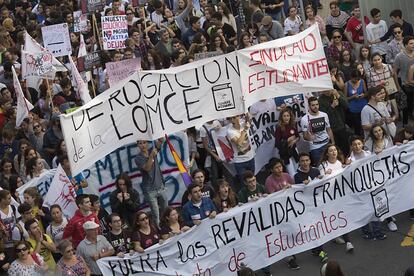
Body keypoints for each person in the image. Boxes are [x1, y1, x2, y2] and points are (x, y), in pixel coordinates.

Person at [135, 139, 168, 226]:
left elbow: (160, 144)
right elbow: (147, 168)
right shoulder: (138, 158)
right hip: (149, 190)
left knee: (166, 210)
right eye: (140, 143)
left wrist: (161, 139)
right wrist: (151, 156)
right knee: (155, 214)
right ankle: (158, 230)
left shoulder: (152, 150)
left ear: (148, 143)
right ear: (138, 145)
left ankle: (167, 227)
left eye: (144, 142)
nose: (143, 145)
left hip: (160, 186)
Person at [301, 96, 335, 166]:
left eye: (317, 104)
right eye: (313, 105)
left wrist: (333, 142)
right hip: (315, 148)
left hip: (326, 144)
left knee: (331, 164)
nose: (315, 107)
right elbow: (304, 136)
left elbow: (329, 129)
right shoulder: (304, 119)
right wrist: (309, 138)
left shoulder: (324, 115)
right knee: (320, 167)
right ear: (309, 106)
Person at [318, 89, 349, 156]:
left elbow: (346, 106)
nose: (327, 90)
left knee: (346, 147)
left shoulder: (338, 93)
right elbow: (324, 116)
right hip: (331, 129)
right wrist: (332, 106)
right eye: (324, 89)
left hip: (342, 125)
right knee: (336, 149)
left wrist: (338, 96)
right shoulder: (320, 100)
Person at [227, 115, 255, 188]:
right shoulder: (230, 131)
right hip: (240, 162)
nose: (232, 120)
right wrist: (245, 130)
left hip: (250, 158)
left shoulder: (244, 123)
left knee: (253, 181)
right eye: (231, 118)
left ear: (239, 117)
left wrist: (247, 115)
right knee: (244, 184)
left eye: (234, 117)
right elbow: (239, 143)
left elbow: (250, 118)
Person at [394, 36, 414, 125]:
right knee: (405, 106)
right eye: (411, 43)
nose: (413, 45)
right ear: (405, 45)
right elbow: (394, 72)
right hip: (405, 84)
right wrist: (397, 86)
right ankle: (405, 125)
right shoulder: (399, 56)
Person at [274, 108, 299, 176]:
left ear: (290, 116)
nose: (286, 118)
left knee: (298, 170)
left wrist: (294, 141)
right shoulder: (279, 127)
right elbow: (277, 143)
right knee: (292, 173)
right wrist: (287, 140)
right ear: (281, 117)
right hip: (285, 153)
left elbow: (297, 136)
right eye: (284, 116)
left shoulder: (293, 125)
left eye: (288, 116)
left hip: (294, 150)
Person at [345, 68, 367, 136]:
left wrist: (364, 95)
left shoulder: (362, 82)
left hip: (363, 106)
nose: (356, 81)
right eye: (354, 79)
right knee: (357, 127)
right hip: (353, 109)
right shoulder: (346, 84)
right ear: (351, 77)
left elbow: (366, 93)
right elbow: (345, 98)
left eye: (358, 79)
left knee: (365, 124)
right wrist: (353, 97)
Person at [0, 189, 19, 258]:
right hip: (5, 245)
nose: (11, 200)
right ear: (2, 199)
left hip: (17, 241)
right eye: (9, 198)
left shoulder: (12, 207)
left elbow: (17, 221)